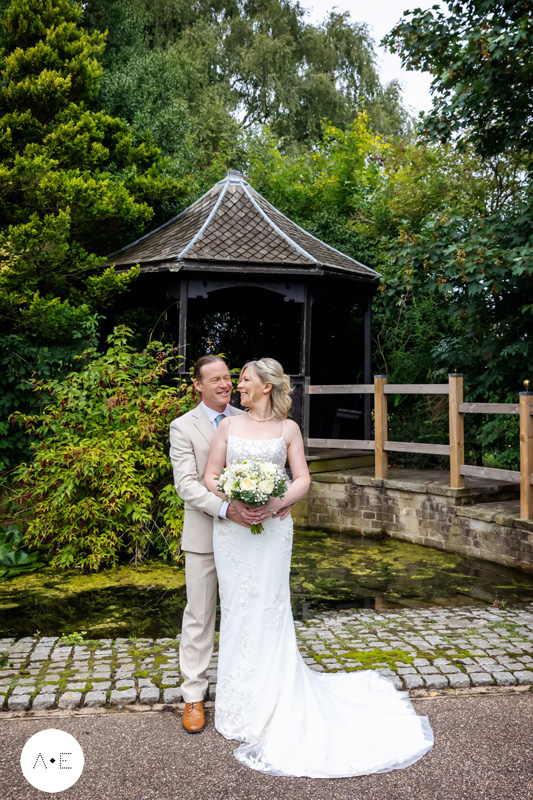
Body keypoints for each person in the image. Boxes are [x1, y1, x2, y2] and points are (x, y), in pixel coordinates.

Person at [204, 358, 434, 778]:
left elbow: (302, 478)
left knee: (270, 609)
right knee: (237, 609)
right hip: (234, 532)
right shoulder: (227, 427)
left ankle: (274, 698)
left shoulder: (288, 429)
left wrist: (277, 500)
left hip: (273, 528)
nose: (239, 386)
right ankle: (240, 704)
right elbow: (211, 476)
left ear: (266, 386)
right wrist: (234, 501)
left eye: (245, 380)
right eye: (239, 381)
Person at [169, 355, 258, 733]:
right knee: (200, 615)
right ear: (198, 385)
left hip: (247, 537)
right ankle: (193, 697)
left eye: (228, 377)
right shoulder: (182, 426)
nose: (225, 384)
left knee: (246, 612)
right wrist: (225, 508)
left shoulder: (247, 418)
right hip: (205, 533)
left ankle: (247, 691)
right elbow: (186, 484)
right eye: (216, 379)